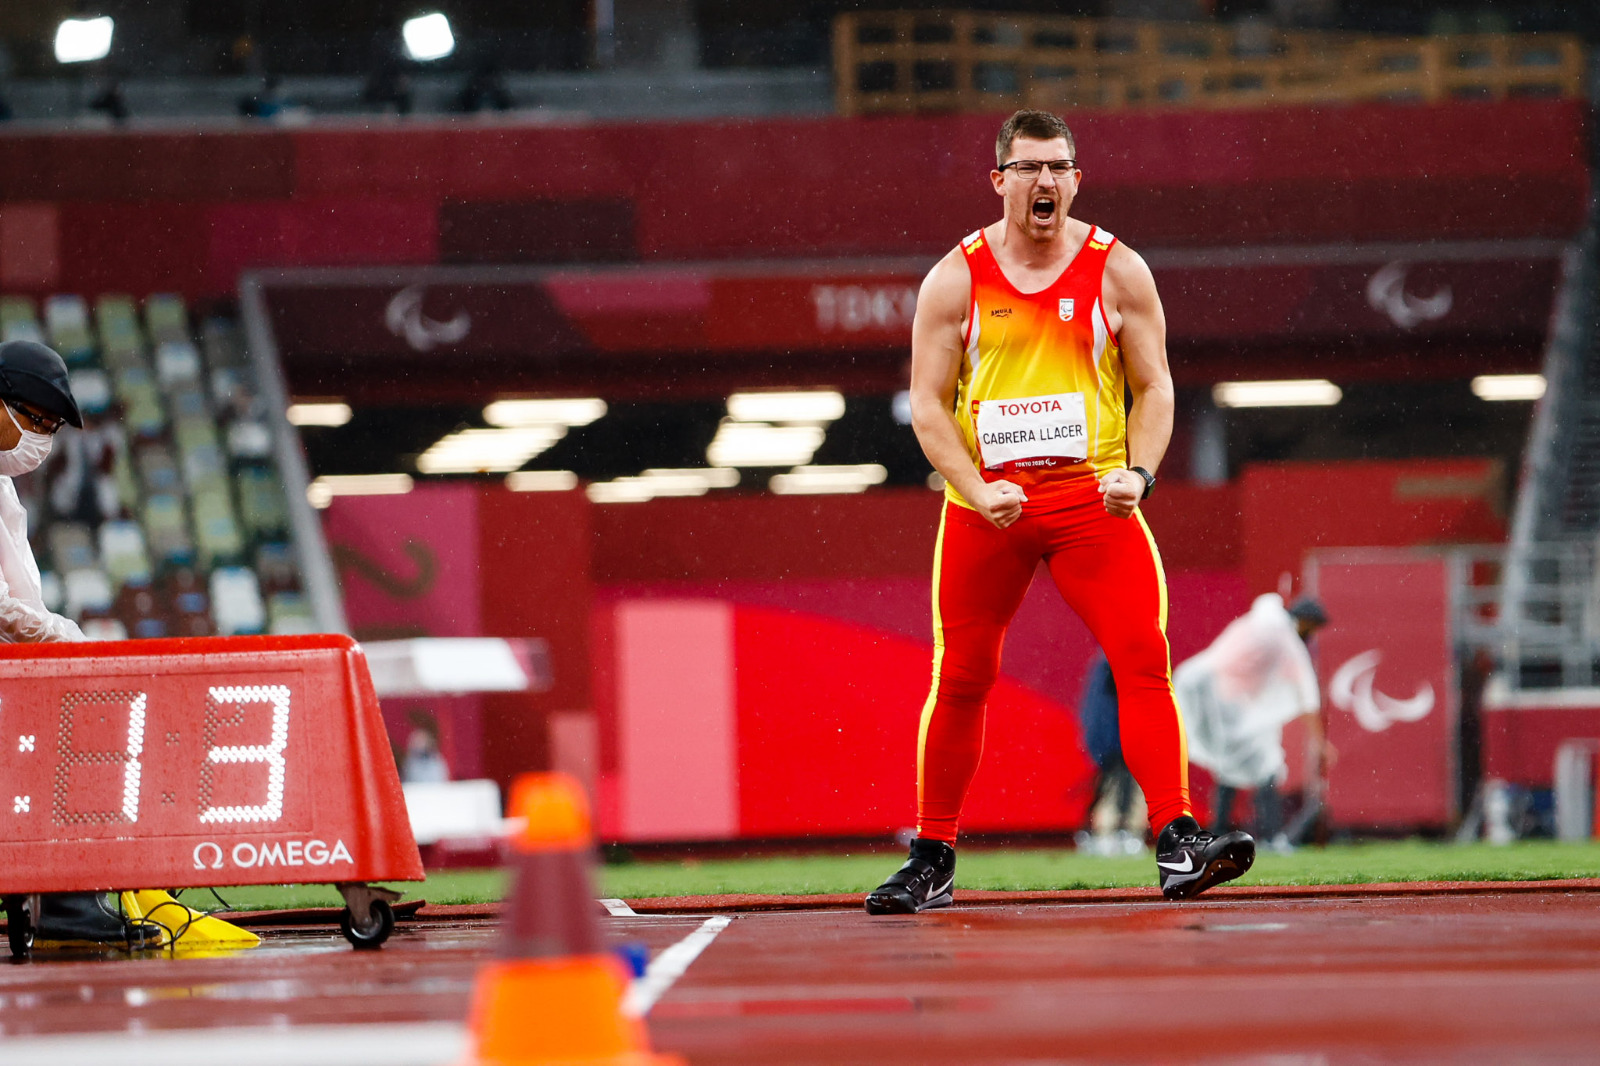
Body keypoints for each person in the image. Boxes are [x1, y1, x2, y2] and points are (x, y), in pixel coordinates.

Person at [866, 109, 1254, 913]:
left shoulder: (1119, 270)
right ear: (999, 179)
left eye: (1059, 168)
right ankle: (933, 853)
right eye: (1029, 168)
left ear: (1077, 178)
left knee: (1142, 659)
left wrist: (1140, 475)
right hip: (989, 506)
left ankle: (1178, 839)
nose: (1045, 182)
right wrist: (976, 491)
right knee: (964, 677)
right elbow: (928, 408)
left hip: (1093, 502)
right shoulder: (955, 278)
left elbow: (1156, 388)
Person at [1174, 594, 1333, 851]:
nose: (1312, 634)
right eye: (1312, 627)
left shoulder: (1259, 625)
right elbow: (1306, 694)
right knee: (1265, 768)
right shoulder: (1283, 638)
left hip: (1220, 700)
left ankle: (1219, 833)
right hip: (1226, 705)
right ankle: (1270, 837)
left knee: (1235, 768)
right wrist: (1320, 743)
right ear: (1305, 621)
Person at [1074, 652, 1147, 856]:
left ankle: (1103, 832)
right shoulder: (1115, 662)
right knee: (1118, 785)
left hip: (1113, 736)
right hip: (1117, 737)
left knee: (1111, 784)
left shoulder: (1105, 662)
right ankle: (1116, 832)